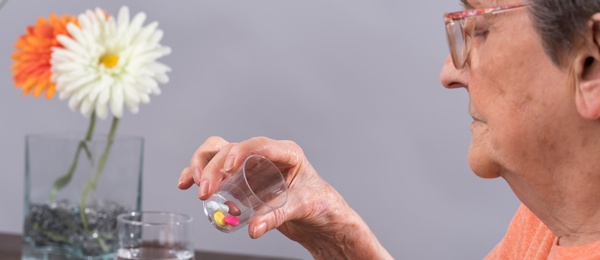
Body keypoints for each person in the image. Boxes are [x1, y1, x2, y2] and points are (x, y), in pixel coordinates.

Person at [178, 0, 600, 258]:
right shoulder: (544, 227)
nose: (449, 72)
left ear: (591, 66)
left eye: (482, 31)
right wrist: (338, 236)